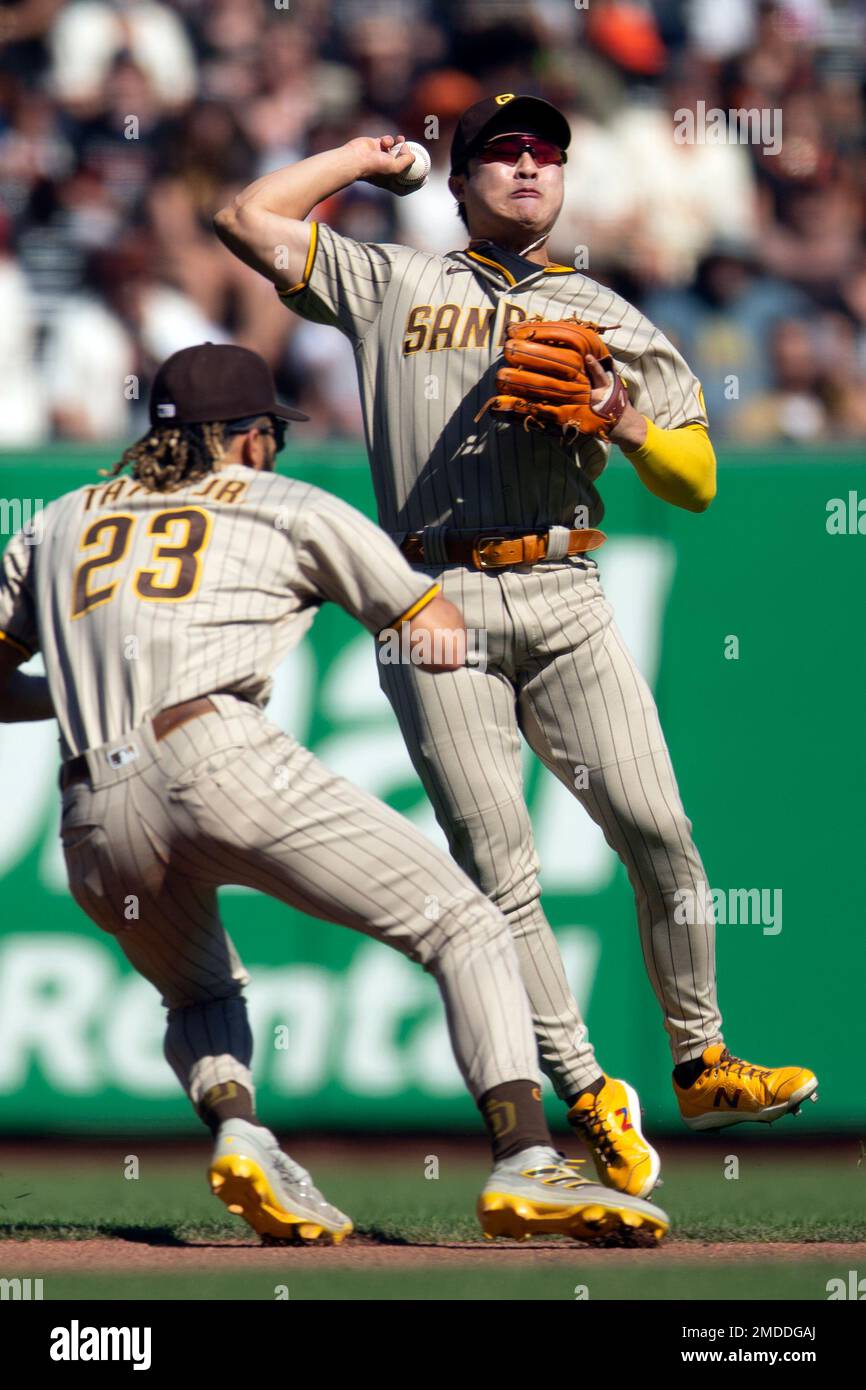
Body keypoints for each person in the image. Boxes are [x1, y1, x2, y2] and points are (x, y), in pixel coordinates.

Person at [214, 93, 818, 1194]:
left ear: (564, 178)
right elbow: (245, 216)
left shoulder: (605, 312)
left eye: (544, 152)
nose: (526, 166)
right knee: (501, 873)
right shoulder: (395, 279)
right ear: (460, 183)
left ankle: (699, 1055)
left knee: (658, 831)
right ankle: (587, 1089)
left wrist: (623, 420)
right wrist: (362, 156)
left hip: (562, 584)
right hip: (432, 594)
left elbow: (696, 482)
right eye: (499, 154)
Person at [0, 342, 669, 1247]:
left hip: (89, 804)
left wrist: (81, 694)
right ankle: (526, 1161)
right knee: (466, 924)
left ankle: (240, 1130)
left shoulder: (62, 517)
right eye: (268, 430)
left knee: (197, 997)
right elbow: (430, 632)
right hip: (216, 755)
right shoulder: (286, 504)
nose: (272, 445)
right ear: (242, 438)